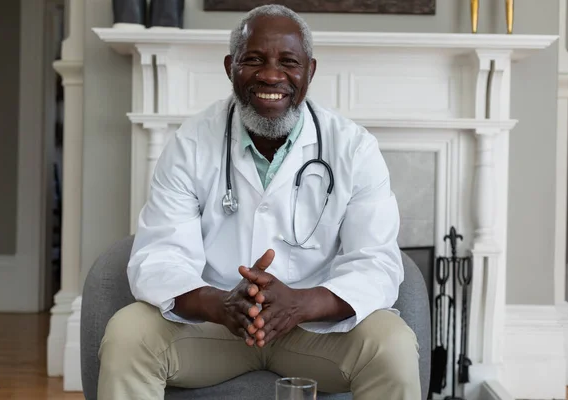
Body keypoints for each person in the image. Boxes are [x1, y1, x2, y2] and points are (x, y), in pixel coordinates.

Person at [97, 4, 421, 400]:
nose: (271, 75)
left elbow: (378, 263)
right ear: (230, 67)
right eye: (254, 60)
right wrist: (218, 304)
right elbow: (158, 257)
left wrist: (300, 304)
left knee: (392, 345)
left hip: (314, 332)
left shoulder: (354, 147)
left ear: (310, 71)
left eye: (288, 62)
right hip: (214, 327)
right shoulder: (191, 143)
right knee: (128, 335)